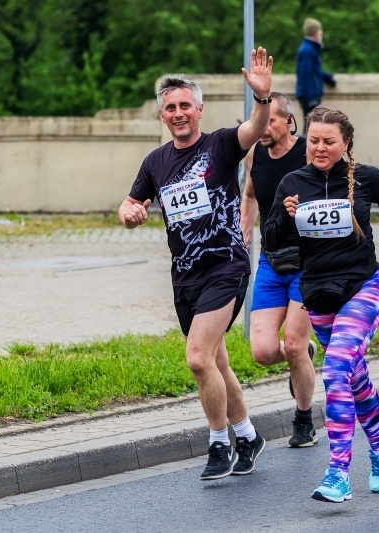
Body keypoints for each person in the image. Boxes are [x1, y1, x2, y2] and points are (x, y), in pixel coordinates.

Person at [118, 48, 273, 481]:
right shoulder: (156, 162)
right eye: (171, 108)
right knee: (217, 365)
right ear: (162, 116)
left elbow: (256, 130)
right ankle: (248, 435)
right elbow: (132, 202)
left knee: (198, 358)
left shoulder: (221, 144)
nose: (178, 113)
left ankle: (219, 443)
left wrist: (262, 99)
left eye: (185, 105)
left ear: (199, 110)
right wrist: (128, 213)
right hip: (185, 276)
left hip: (225, 266)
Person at [263, 106, 379, 503]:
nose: (320, 148)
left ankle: (338, 472)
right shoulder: (292, 181)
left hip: (363, 286)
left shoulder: (364, 176)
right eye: (314, 140)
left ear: (345, 144)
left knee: (337, 366)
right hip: (318, 293)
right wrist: (287, 217)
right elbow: (272, 241)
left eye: (329, 142)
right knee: (353, 377)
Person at [239, 92, 318, 449]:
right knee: (263, 352)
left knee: (294, 345)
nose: (264, 127)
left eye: (271, 119)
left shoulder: (308, 153)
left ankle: (304, 420)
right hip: (272, 261)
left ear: (289, 122)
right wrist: (244, 236)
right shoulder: (255, 153)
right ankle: (304, 356)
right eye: (261, 119)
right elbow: (251, 195)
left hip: (307, 264)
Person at [295, 18, 336, 119]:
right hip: (310, 96)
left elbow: (314, 70)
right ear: (315, 33)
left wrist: (327, 77)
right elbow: (306, 74)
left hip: (311, 94)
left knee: (311, 125)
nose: (321, 33)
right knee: (310, 126)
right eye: (319, 30)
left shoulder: (309, 49)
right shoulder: (308, 51)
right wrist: (310, 98)